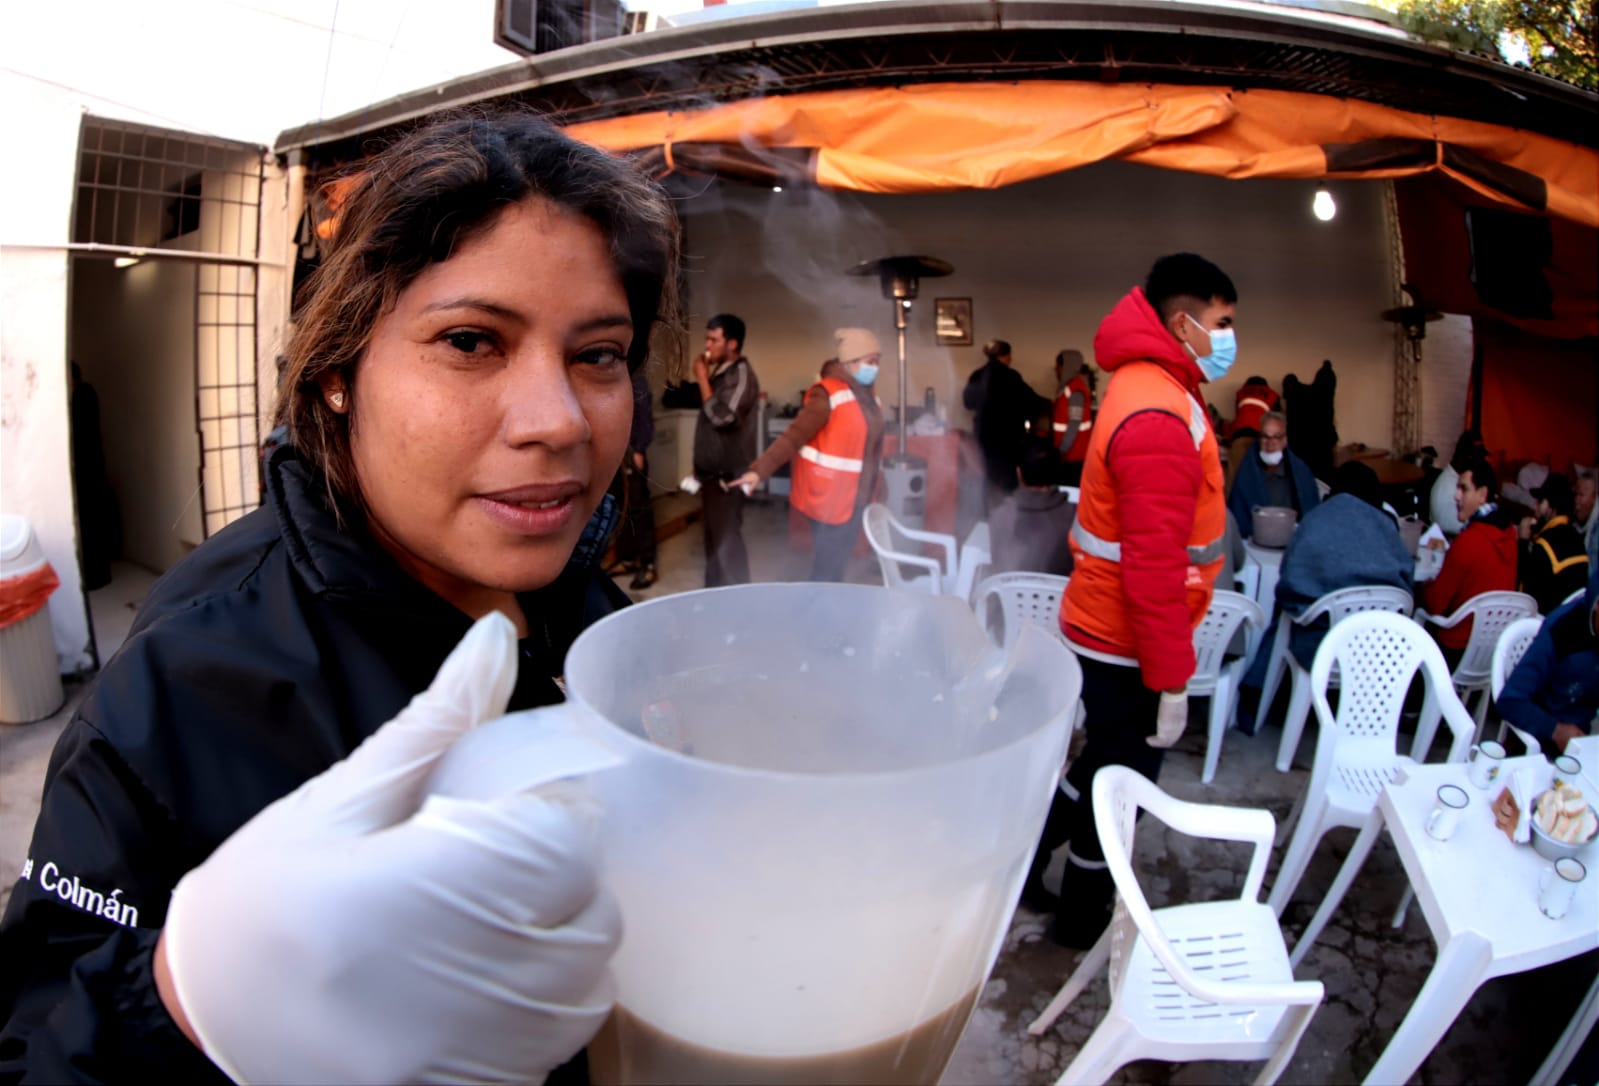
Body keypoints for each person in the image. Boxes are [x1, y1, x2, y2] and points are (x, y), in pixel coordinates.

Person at [0, 110, 682, 1083]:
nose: (559, 420)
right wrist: (182, 1007)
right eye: (471, 341)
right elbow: (31, 1042)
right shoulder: (187, 679)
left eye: (598, 354)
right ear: (337, 374)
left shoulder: (592, 615)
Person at [1027, 253, 1233, 946]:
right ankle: (1079, 916)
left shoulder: (1148, 382)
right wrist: (1171, 679)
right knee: (1121, 782)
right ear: (1182, 322)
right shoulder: (1156, 413)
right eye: (1221, 323)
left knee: (1096, 763)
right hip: (1125, 637)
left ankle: (1022, 863)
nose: (1229, 337)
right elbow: (1153, 565)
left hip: (1106, 623)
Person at [733, 328, 885, 582]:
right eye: (871, 362)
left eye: (877, 362)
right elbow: (794, 435)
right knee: (828, 570)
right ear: (851, 362)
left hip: (856, 497)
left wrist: (878, 488)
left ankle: (827, 611)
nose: (875, 368)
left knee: (836, 567)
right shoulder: (826, 394)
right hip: (829, 499)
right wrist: (759, 470)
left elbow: (871, 447)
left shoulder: (869, 397)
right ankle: (818, 615)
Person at [1273, 461, 1415, 669]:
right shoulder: (1388, 529)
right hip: (1381, 652)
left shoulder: (1315, 521)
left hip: (1322, 651)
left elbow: (1288, 588)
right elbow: (1407, 588)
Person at [1422, 454, 1518, 664]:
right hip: (1492, 653)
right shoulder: (1510, 534)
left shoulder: (1468, 541)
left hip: (1457, 649)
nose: (1456, 496)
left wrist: (1424, 582)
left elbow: (1435, 605)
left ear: (1483, 494)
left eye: (1463, 489)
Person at [1498, 567, 1599, 757]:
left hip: (1582, 741)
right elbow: (1509, 701)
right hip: (1537, 742)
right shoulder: (1561, 630)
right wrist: (1555, 730)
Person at [692, 314, 761, 587]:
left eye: (713, 339)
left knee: (727, 547)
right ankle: (712, 601)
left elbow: (723, 418)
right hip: (711, 475)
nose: (707, 346)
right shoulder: (722, 373)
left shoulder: (742, 375)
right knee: (713, 544)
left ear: (732, 344)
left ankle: (738, 610)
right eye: (707, 339)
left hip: (728, 477)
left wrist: (702, 380)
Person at [963, 338, 1050, 510]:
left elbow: (967, 402)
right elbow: (1030, 401)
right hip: (1007, 439)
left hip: (984, 436)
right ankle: (1006, 514)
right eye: (1010, 356)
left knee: (986, 476)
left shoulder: (977, 375)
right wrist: (1051, 405)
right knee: (1006, 480)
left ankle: (987, 515)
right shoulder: (1011, 377)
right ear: (1005, 356)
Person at [988, 434, 1076, 577]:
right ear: (1056, 472)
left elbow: (997, 565)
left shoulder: (1000, 515)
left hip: (1010, 598)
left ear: (1019, 473)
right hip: (1059, 598)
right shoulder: (1073, 516)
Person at [1227, 410, 1321, 539]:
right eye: (1265, 436)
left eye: (1277, 437)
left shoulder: (1301, 472)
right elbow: (1237, 516)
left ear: (1285, 440)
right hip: (1253, 544)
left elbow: (1312, 514)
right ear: (1259, 439)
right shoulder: (1246, 474)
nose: (1270, 443)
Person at [1518, 472, 1590, 614]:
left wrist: (1522, 542)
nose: (1535, 507)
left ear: (1552, 507)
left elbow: (1525, 597)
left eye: (1540, 501)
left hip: (1545, 626)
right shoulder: (1578, 539)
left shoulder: (1545, 545)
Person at [617, 366, 660, 588]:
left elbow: (644, 416)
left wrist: (640, 450)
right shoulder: (619, 371)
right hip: (617, 453)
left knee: (639, 508)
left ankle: (648, 564)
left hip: (634, 452)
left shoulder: (637, 377)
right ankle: (627, 560)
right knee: (622, 508)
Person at [1224, 375, 1279, 493]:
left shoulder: (1241, 393)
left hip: (1240, 435)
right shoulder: (1272, 395)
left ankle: (1229, 507)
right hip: (1261, 437)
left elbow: (1239, 416)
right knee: (1261, 474)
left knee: (1233, 476)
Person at [1429, 428, 1485, 538]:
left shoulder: (1456, 479)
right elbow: (1457, 527)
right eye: (1479, 458)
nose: (1481, 463)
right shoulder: (1447, 487)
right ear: (1468, 457)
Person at [1051, 349, 1095, 486]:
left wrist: (1063, 449)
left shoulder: (1075, 390)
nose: (1056, 370)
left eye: (1058, 366)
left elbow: (1074, 424)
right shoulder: (1069, 388)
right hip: (1069, 454)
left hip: (1073, 455)